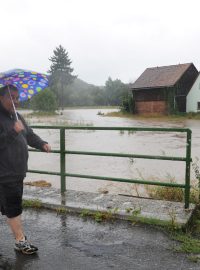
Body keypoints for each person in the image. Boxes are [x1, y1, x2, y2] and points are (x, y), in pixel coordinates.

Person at [0, 85, 51, 255]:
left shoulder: (17, 116)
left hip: (18, 170)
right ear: (1, 98)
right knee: (14, 207)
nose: (15, 101)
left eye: (17, 98)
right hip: (5, 172)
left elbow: (29, 135)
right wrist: (13, 132)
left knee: (8, 205)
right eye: (11, 97)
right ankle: (20, 242)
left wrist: (42, 144)